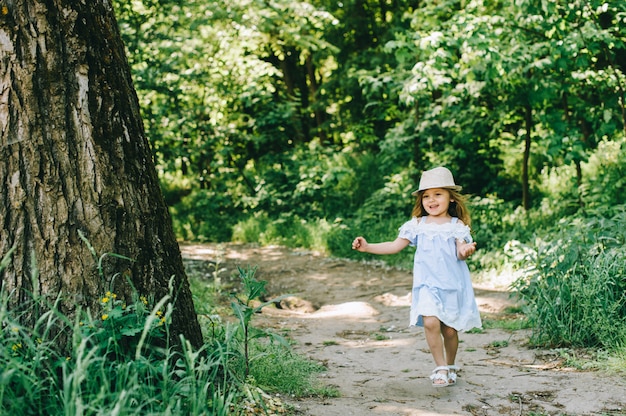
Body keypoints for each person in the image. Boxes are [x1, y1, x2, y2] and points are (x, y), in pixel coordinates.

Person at [352, 166, 482, 387]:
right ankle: (440, 367)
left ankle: (450, 366)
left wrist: (465, 251)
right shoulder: (418, 225)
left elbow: (461, 251)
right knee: (430, 321)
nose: (431, 200)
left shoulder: (456, 225)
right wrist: (367, 247)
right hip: (426, 285)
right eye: (426, 196)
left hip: (451, 285)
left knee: (450, 331)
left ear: (451, 198)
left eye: (438, 194)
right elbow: (394, 246)